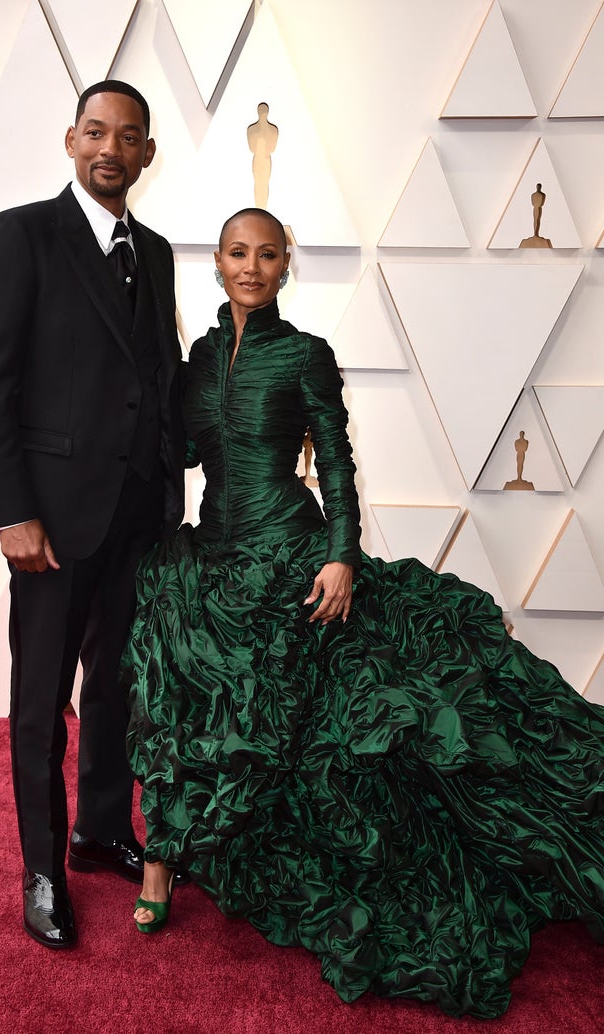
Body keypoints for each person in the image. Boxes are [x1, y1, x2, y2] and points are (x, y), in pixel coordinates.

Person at [124, 207, 604, 1017]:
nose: (251, 267)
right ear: (216, 262)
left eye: (266, 255)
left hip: (294, 558)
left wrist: (341, 554)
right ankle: (160, 865)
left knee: (344, 726)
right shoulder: (195, 364)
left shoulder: (306, 355)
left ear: (285, 266)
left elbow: (338, 462)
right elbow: (183, 453)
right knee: (170, 680)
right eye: (237, 253)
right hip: (211, 557)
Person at [0, 80, 186, 949]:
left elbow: (155, 376)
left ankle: (99, 832)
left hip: (138, 513)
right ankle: (44, 868)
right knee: (40, 699)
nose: (110, 148)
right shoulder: (20, 235)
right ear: (69, 139)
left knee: (118, 688)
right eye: (96, 132)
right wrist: (11, 511)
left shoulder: (158, 250)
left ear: (146, 155)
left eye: (128, 137)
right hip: (50, 522)